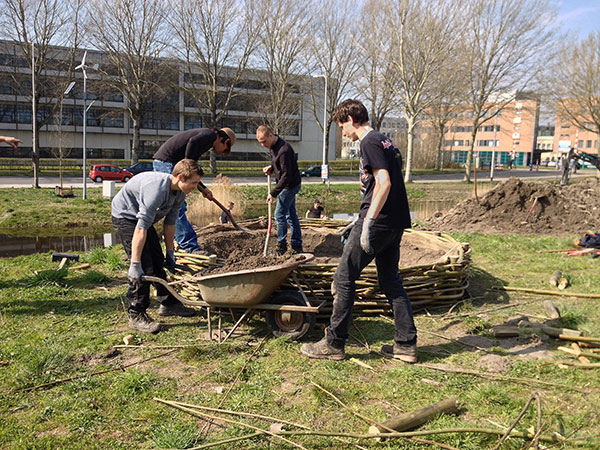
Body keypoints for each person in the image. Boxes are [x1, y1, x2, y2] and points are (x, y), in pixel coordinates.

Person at [300, 99, 417, 362]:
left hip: (379, 223)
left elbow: (384, 184)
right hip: (395, 222)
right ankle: (406, 345)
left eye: (342, 127)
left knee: (343, 279)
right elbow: (378, 185)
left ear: (351, 120)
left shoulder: (369, 141)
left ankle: (334, 344)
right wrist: (360, 217)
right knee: (390, 281)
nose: (343, 133)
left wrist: (368, 222)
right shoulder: (385, 140)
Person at [112, 159, 202, 333]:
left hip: (142, 221)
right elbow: (140, 229)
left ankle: (168, 304)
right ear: (181, 177)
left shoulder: (180, 193)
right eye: (194, 183)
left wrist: (169, 252)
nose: (196, 187)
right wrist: (135, 264)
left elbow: (170, 224)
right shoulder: (156, 190)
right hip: (126, 217)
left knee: (157, 259)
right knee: (144, 265)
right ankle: (136, 313)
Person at [152, 127, 236, 253]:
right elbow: (192, 143)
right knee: (178, 206)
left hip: (164, 163)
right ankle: (189, 246)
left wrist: (204, 189)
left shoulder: (206, 137)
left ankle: (179, 241)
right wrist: (187, 165)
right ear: (225, 141)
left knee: (173, 205)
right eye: (225, 149)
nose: (220, 152)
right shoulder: (210, 136)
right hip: (168, 164)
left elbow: (193, 175)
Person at [256, 125, 303, 255]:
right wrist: (271, 167)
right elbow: (280, 164)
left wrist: (273, 193)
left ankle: (281, 245)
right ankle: (297, 245)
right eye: (260, 142)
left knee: (279, 215)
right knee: (291, 215)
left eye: (263, 141)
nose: (262, 145)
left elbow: (286, 175)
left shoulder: (284, 150)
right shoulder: (273, 146)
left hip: (289, 186)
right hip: (286, 184)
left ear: (270, 135)